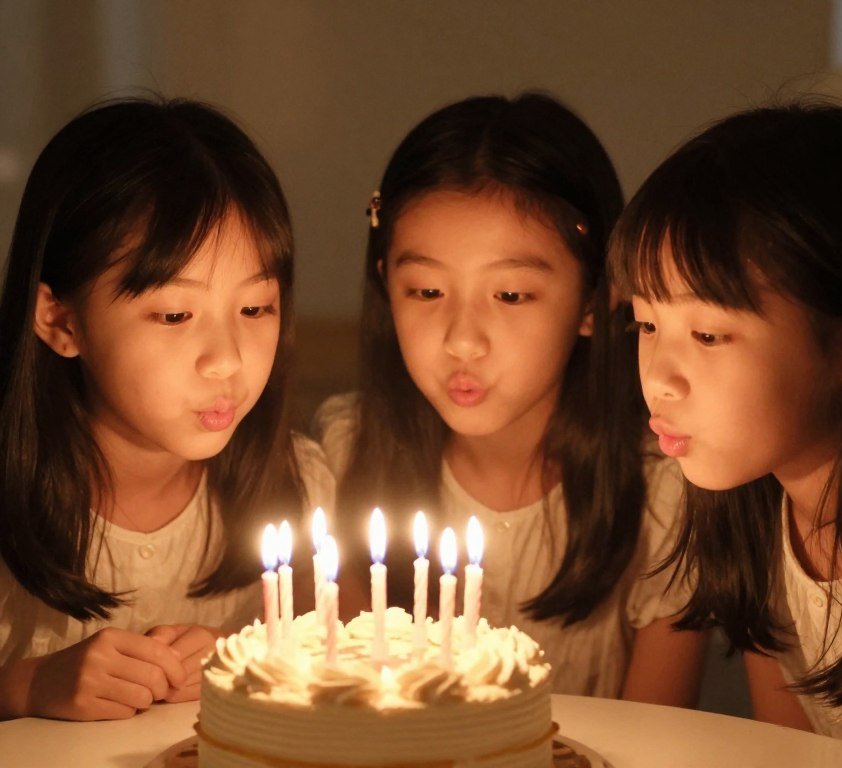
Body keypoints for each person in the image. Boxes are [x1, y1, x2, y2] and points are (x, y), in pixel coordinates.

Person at [313, 93, 706, 700]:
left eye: (511, 296)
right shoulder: (345, 461)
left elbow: (658, 735)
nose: (463, 341)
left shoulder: (663, 499)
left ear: (593, 304)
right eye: (425, 291)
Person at [608, 101, 842, 764]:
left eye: (708, 334)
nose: (659, 379)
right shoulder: (760, 523)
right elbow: (793, 753)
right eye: (647, 326)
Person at [0, 97, 331, 721]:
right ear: (61, 320)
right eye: (176, 315)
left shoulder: (300, 487)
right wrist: (29, 686)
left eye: (255, 308)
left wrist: (256, 660)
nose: (226, 360)